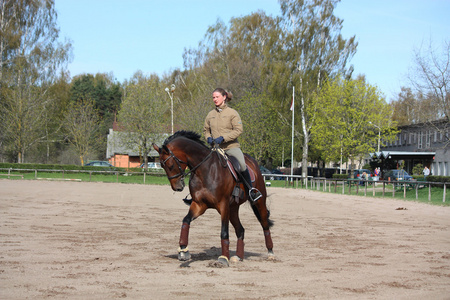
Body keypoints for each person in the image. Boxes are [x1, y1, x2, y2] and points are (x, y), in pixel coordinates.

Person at [203, 88, 262, 202]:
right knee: (200, 164)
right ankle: (197, 194)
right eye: (213, 97)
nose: (214, 99)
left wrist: (223, 138)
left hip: (231, 148)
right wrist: (208, 138)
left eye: (217, 97)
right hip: (215, 149)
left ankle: (251, 191)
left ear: (224, 97)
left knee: (242, 165)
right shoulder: (210, 114)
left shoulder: (232, 113)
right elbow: (206, 130)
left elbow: (238, 130)